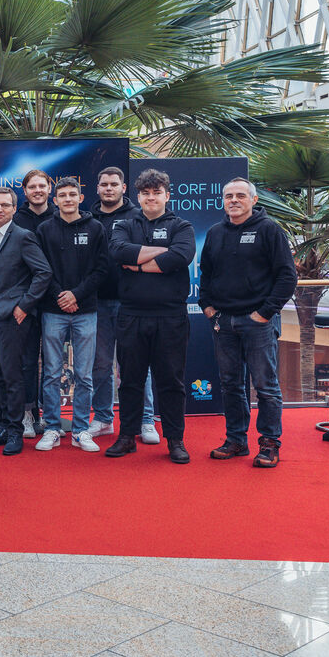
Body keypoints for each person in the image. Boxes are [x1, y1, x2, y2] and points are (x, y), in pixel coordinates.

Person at [199, 178, 297, 467]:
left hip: (259, 322)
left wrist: (265, 313)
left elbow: (287, 276)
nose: (234, 200)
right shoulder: (216, 233)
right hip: (224, 322)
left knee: (266, 386)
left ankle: (269, 443)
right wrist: (207, 306)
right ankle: (236, 440)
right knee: (231, 385)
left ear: (253, 200)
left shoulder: (269, 230)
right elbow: (206, 274)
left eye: (241, 195)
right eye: (228, 195)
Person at [105, 169, 196, 463]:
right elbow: (119, 252)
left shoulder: (182, 226)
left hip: (171, 317)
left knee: (171, 381)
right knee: (129, 380)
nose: (151, 197)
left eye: (157, 192)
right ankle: (127, 436)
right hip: (131, 315)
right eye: (145, 193)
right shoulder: (124, 224)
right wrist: (160, 253)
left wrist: (140, 264)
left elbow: (180, 257)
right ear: (138, 196)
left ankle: (175, 440)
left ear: (167, 196)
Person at [34, 178, 109, 452]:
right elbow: (41, 270)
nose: (67, 199)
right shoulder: (44, 230)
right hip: (53, 310)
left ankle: (80, 430)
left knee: (84, 374)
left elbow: (102, 270)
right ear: (54, 200)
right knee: (52, 373)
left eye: (72, 194)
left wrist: (76, 295)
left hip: (85, 310)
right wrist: (61, 296)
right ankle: (52, 427)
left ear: (80, 197)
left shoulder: (96, 228)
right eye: (62, 195)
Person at [0, 187, 51, 455]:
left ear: (13, 208)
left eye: (5, 205)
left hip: (13, 316)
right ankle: (3, 428)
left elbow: (43, 273)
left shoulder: (23, 236)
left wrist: (24, 305)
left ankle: (16, 432)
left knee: (12, 374)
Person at [89, 167, 158, 443]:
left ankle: (146, 419)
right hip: (96, 303)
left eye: (113, 184)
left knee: (137, 364)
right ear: (97, 188)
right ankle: (104, 418)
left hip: (132, 301)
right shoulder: (88, 218)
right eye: (104, 184)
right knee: (101, 365)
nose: (108, 188)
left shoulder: (137, 217)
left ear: (123, 187)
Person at [12, 169, 55, 438]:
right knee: (27, 362)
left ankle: (51, 420)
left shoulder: (61, 216)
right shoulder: (16, 220)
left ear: (50, 189)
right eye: (32, 186)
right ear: (24, 191)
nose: (37, 190)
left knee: (52, 365)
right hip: (25, 302)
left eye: (42, 186)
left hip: (55, 301)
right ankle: (28, 415)